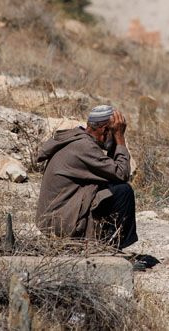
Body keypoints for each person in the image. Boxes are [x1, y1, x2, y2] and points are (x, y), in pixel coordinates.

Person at [35, 104, 138, 250]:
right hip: (59, 223)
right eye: (113, 132)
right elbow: (121, 174)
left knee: (110, 188)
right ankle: (114, 250)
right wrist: (120, 138)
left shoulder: (77, 140)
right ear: (104, 130)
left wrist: (114, 142)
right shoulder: (84, 147)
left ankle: (106, 243)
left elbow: (111, 175)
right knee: (123, 191)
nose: (115, 136)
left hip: (54, 218)